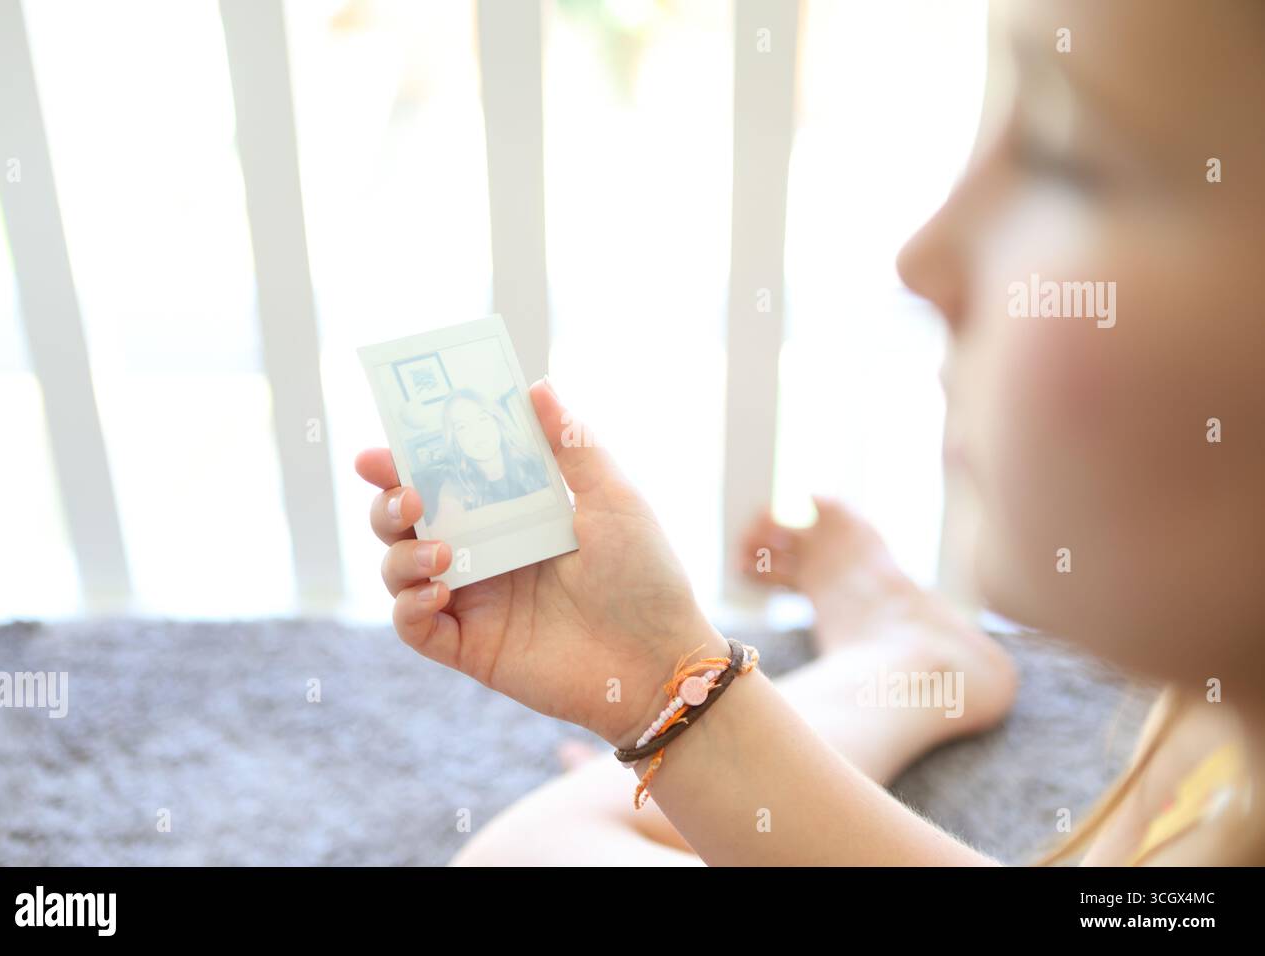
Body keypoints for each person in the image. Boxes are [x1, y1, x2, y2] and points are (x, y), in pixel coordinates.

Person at [356, 0, 1265, 864]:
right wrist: (652, 669)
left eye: (1068, 152)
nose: (920, 259)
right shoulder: (1215, 725)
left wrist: (660, 684)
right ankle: (907, 663)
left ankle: (910, 660)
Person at [425, 389, 549, 537]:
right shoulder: (455, 485)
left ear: (497, 422)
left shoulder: (534, 461)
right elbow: (442, 530)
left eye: (482, 418)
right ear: (456, 441)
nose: (476, 432)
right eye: (462, 427)